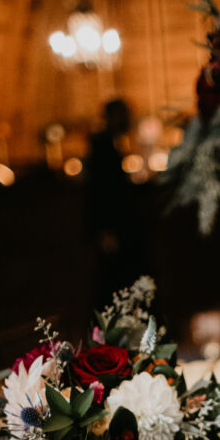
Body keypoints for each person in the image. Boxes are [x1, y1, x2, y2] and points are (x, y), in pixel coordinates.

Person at [85, 98, 144, 306]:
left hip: (114, 227)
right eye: (124, 115)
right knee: (111, 280)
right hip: (112, 228)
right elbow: (101, 193)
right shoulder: (103, 148)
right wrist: (105, 230)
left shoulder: (107, 144)